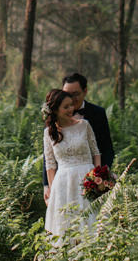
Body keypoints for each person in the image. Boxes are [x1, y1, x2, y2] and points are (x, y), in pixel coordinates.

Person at [43, 73, 114, 205]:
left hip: (89, 178)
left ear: (85, 91)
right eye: (66, 94)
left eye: (75, 94)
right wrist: (47, 186)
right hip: (63, 181)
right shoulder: (52, 124)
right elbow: (48, 158)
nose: (70, 99)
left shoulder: (97, 114)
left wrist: (100, 178)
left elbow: (105, 148)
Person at [42, 89, 101, 236]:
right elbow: (50, 164)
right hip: (63, 183)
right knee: (66, 222)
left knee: (90, 220)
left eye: (71, 105)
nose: (71, 109)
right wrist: (52, 191)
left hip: (87, 178)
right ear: (55, 110)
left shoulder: (84, 125)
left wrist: (98, 176)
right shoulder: (48, 133)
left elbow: (96, 152)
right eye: (66, 107)